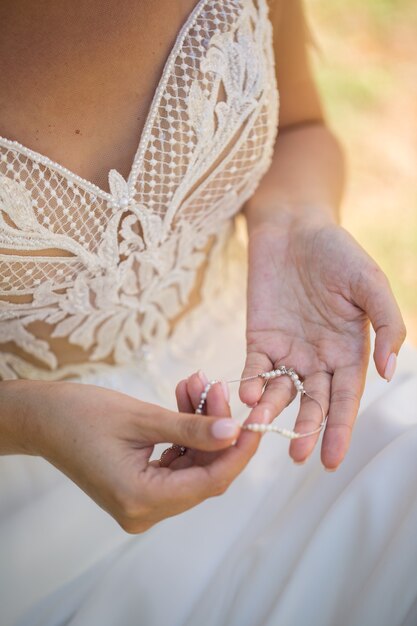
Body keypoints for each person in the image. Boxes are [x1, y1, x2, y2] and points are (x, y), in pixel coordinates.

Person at [1, 0, 417, 624]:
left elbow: (299, 126)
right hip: (36, 513)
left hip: (266, 375)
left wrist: (295, 219)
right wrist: (25, 422)